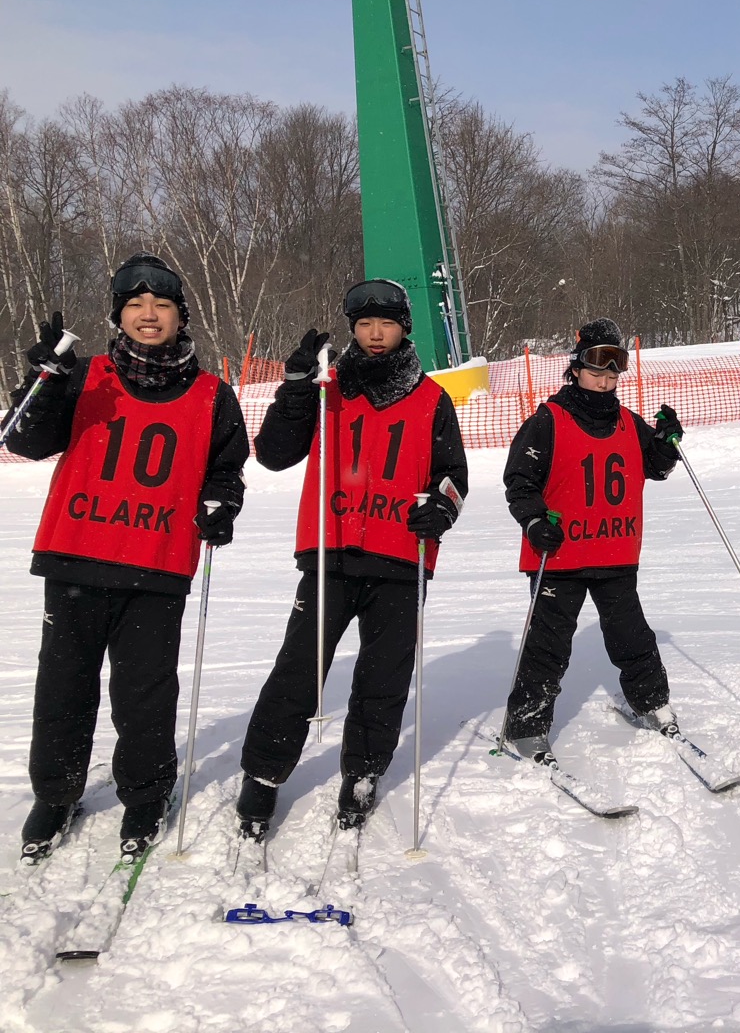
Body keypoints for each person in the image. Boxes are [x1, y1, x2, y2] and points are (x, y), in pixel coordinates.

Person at [9, 255, 247, 864]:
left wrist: (221, 504)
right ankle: (57, 793)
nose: (149, 315)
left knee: (145, 692)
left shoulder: (212, 393)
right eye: (135, 305)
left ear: (179, 317)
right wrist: (43, 381)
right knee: (63, 687)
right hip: (77, 555)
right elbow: (21, 439)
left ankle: (145, 793)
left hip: (157, 563)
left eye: (162, 305)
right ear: (118, 315)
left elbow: (226, 468)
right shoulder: (82, 374)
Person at [234, 279, 467, 837]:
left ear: (404, 327)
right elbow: (272, 455)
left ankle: (362, 772)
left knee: (383, 676)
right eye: (363, 325)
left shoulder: (431, 398)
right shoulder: (326, 388)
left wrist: (442, 507)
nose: (374, 334)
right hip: (330, 552)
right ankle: (263, 775)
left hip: (397, 556)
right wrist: (293, 390)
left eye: (385, 323)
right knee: (298, 670)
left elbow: (452, 476)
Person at [500, 319, 682, 760]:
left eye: (612, 372)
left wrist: (665, 440)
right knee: (549, 642)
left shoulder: (628, 421)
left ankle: (652, 704)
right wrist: (534, 521)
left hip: (614, 550)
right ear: (576, 368)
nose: (604, 381)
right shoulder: (548, 420)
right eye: (596, 369)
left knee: (631, 635)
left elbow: (654, 467)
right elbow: (519, 481)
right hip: (559, 552)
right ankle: (525, 725)